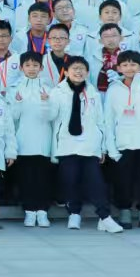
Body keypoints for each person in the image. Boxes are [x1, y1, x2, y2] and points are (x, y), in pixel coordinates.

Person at [53, 58, 123, 233]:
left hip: (90, 145)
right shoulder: (57, 92)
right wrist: (45, 103)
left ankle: (104, 216)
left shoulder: (93, 92)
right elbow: (50, 117)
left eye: (82, 69)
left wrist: (103, 147)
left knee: (96, 182)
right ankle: (74, 213)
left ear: (87, 72)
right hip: (67, 144)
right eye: (74, 69)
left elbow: (101, 121)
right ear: (66, 72)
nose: (78, 72)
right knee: (70, 181)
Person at [103, 50, 140, 229]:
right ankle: (125, 210)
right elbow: (108, 119)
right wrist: (111, 147)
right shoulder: (113, 89)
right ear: (119, 67)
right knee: (122, 179)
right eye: (125, 65)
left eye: (133, 65)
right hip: (123, 142)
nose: (129, 68)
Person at [7, 53, 60, 227]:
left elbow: (51, 116)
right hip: (23, 140)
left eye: (35, 65)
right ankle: (29, 211)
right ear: (21, 68)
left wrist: (46, 102)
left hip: (43, 139)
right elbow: (12, 118)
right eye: (28, 65)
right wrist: (17, 104)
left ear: (41, 68)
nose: (31, 68)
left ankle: (43, 211)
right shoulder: (15, 88)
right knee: (26, 178)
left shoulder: (49, 88)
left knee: (43, 177)